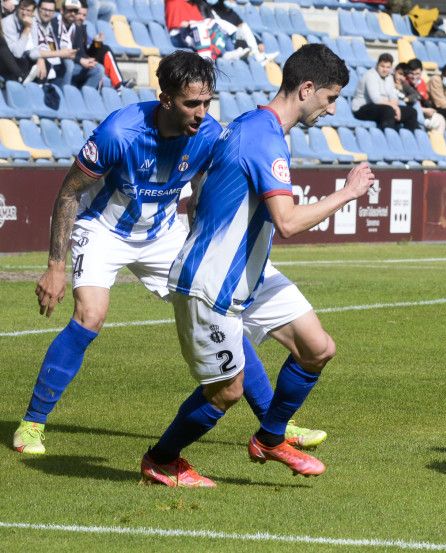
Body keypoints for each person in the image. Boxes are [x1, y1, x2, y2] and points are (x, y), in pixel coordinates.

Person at [14, 50, 326, 456]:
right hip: (104, 230)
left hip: (162, 234)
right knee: (90, 316)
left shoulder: (209, 134)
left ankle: (274, 424)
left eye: (207, 103)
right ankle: (33, 423)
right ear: (166, 100)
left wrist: (203, 236)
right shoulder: (119, 132)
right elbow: (71, 192)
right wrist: (56, 265)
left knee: (219, 304)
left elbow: (201, 191)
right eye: (190, 104)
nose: (201, 113)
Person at [141, 43, 374, 488]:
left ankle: (269, 438)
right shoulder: (262, 137)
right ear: (307, 88)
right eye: (330, 98)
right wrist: (347, 193)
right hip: (212, 282)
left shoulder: (255, 124)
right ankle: (162, 459)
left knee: (317, 347)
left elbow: (209, 190)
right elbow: (285, 222)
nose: (331, 109)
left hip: (249, 273)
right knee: (225, 391)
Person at [351, 53, 416, 131]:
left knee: (412, 112)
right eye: (382, 66)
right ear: (377, 65)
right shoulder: (370, 75)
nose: (385, 69)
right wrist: (394, 107)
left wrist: (396, 107)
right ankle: (389, 138)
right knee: (388, 111)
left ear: (391, 68)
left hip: (382, 107)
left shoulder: (389, 77)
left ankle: (407, 139)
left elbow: (393, 96)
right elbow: (376, 99)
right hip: (362, 108)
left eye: (388, 67)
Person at [32, 0, 73, 85]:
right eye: (44, 9)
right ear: (38, 9)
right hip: (36, 64)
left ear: (54, 12)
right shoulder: (31, 23)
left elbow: (58, 45)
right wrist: (40, 58)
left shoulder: (51, 25)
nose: (47, 13)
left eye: (50, 11)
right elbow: (30, 49)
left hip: (54, 66)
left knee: (66, 65)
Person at [400, 58, 444, 132]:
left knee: (441, 119)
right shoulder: (404, 83)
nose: (414, 77)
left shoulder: (422, 83)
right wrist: (424, 110)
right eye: (411, 73)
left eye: (417, 74)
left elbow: (424, 99)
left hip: (422, 113)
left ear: (421, 73)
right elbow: (404, 103)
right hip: (411, 113)